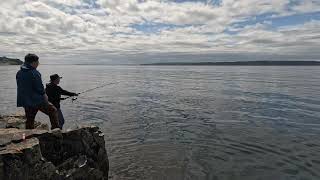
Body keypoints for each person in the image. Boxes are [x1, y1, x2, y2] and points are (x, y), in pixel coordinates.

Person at [16, 54, 60, 129]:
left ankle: (29, 135)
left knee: (30, 119)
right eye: (37, 62)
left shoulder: (19, 72)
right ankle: (55, 131)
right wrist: (45, 97)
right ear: (33, 62)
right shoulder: (34, 72)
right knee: (53, 110)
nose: (38, 63)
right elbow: (40, 88)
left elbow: (21, 86)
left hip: (25, 101)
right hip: (36, 100)